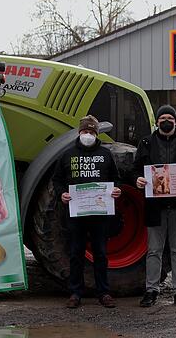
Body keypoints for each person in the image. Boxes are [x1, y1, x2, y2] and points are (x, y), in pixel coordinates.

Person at [135, 105, 176, 308]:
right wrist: (137, 179)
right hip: (155, 206)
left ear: (175, 121)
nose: (166, 121)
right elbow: (135, 169)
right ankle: (151, 290)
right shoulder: (146, 143)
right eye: (162, 117)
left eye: (170, 118)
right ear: (157, 121)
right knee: (154, 250)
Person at [53, 115, 122, 309]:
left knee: (100, 253)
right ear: (79, 132)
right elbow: (57, 180)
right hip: (76, 214)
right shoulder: (68, 155)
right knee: (76, 253)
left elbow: (116, 178)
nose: (88, 135)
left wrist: (116, 189)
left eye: (92, 132)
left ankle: (104, 292)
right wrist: (62, 194)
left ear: (97, 133)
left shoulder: (106, 155)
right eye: (85, 131)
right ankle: (75, 292)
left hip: (100, 214)